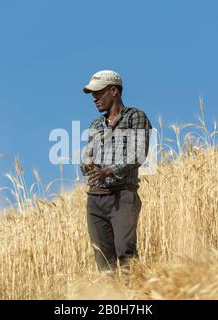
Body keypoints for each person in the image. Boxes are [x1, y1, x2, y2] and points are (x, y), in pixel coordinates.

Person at [80, 70, 152, 275]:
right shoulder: (95, 125)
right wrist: (88, 166)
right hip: (95, 200)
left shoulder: (135, 117)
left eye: (98, 92)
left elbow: (138, 154)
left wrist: (108, 171)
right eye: (92, 94)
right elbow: (86, 158)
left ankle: (135, 299)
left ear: (114, 91)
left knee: (126, 254)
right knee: (104, 264)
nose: (94, 98)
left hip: (123, 197)